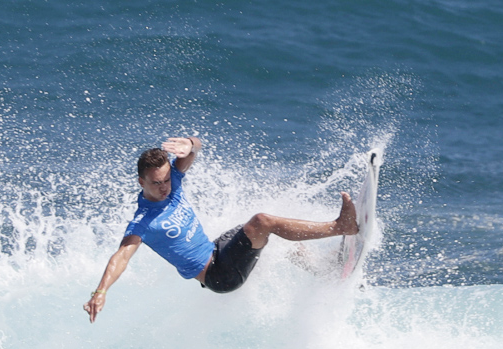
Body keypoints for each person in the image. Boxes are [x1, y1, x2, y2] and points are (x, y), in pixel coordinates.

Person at [83, 136, 358, 323]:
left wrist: (189, 143)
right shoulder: (143, 222)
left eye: (166, 179)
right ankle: (339, 227)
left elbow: (197, 148)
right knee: (262, 222)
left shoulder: (173, 183)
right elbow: (121, 257)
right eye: (156, 183)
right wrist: (101, 291)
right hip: (220, 276)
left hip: (217, 249)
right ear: (141, 181)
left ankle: (324, 270)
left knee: (268, 233)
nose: (164, 186)